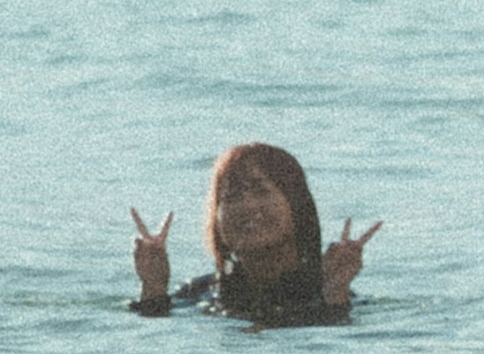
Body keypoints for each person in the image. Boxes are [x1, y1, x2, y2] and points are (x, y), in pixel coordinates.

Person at [127, 138, 376, 325]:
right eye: (232, 196)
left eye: (261, 191)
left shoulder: (329, 294)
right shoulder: (200, 293)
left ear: (297, 208)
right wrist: (153, 288)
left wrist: (335, 296)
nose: (247, 207)